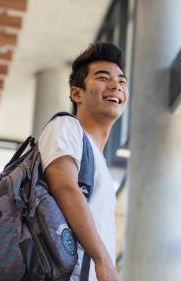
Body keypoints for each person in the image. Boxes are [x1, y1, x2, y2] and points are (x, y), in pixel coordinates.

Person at [38, 42, 127, 281]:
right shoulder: (66, 127)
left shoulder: (100, 164)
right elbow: (64, 186)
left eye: (121, 81)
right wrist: (103, 260)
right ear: (76, 93)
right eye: (103, 77)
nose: (115, 86)